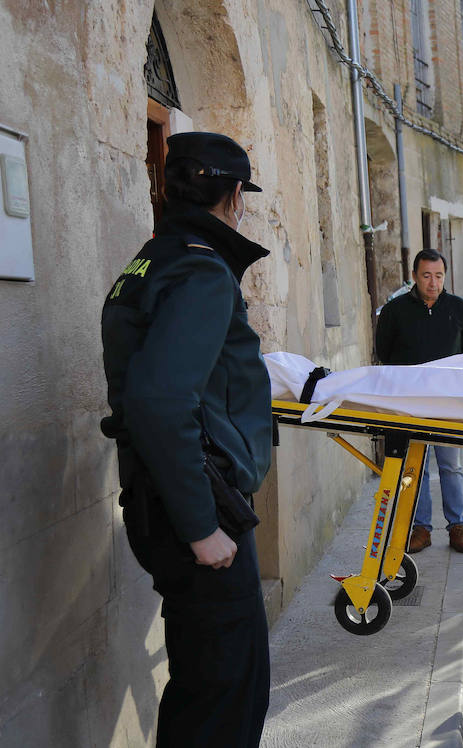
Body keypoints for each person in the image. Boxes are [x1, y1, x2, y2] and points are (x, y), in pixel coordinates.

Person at [100, 132, 273, 746]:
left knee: (203, 686)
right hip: (200, 508)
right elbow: (158, 399)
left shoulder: (151, 261)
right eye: (241, 194)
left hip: (166, 497)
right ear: (232, 196)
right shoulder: (201, 269)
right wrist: (203, 528)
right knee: (229, 694)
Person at [375, 248, 463, 554]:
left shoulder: (458, 308)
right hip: (410, 403)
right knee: (413, 468)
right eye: (426, 276)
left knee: (451, 466)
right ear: (414, 277)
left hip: (447, 403)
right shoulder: (395, 311)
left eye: (439, 276)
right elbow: (385, 352)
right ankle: (420, 528)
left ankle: (457, 527)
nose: (433, 283)